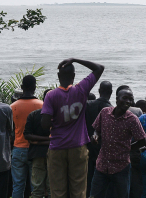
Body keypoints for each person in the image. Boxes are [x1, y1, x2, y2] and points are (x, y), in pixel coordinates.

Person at [41, 58, 104, 198]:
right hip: (78, 145)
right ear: (74, 76)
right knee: (79, 190)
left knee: (57, 190)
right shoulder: (82, 89)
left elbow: (45, 124)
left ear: (58, 76)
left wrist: (56, 121)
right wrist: (75, 59)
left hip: (57, 146)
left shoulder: (51, 95)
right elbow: (99, 68)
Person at [89, 85, 146, 198]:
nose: (128, 101)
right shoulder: (104, 112)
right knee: (94, 195)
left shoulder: (132, 119)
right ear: (116, 99)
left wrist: (128, 148)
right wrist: (95, 136)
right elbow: (97, 130)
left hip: (121, 166)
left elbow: (142, 141)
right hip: (102, 165)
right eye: (125, 98)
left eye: (130, 99)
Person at [11, 75, 44, 198]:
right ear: (35, 87)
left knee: (18, 185)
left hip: (18, 148)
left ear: (22, 87)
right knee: (35, 186)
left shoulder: (12, 107)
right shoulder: (42, 105)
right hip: (36, 150)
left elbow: (10, 130)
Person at [86, 81, 113, 197]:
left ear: (99, 91)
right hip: (103, 149)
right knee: (102, 181)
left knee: (87, 178)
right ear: (111, 92)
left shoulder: (88, 105)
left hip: (87, 145)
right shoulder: (111, 109)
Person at [25, 89, 52, 198]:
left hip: (37, 153)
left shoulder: (33, 115)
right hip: (54, 154)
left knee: (37, 190)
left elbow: (27, 135)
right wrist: (50, 140)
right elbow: (60, 138)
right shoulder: (59, 116)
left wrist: (37, 141)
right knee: (52, 189)